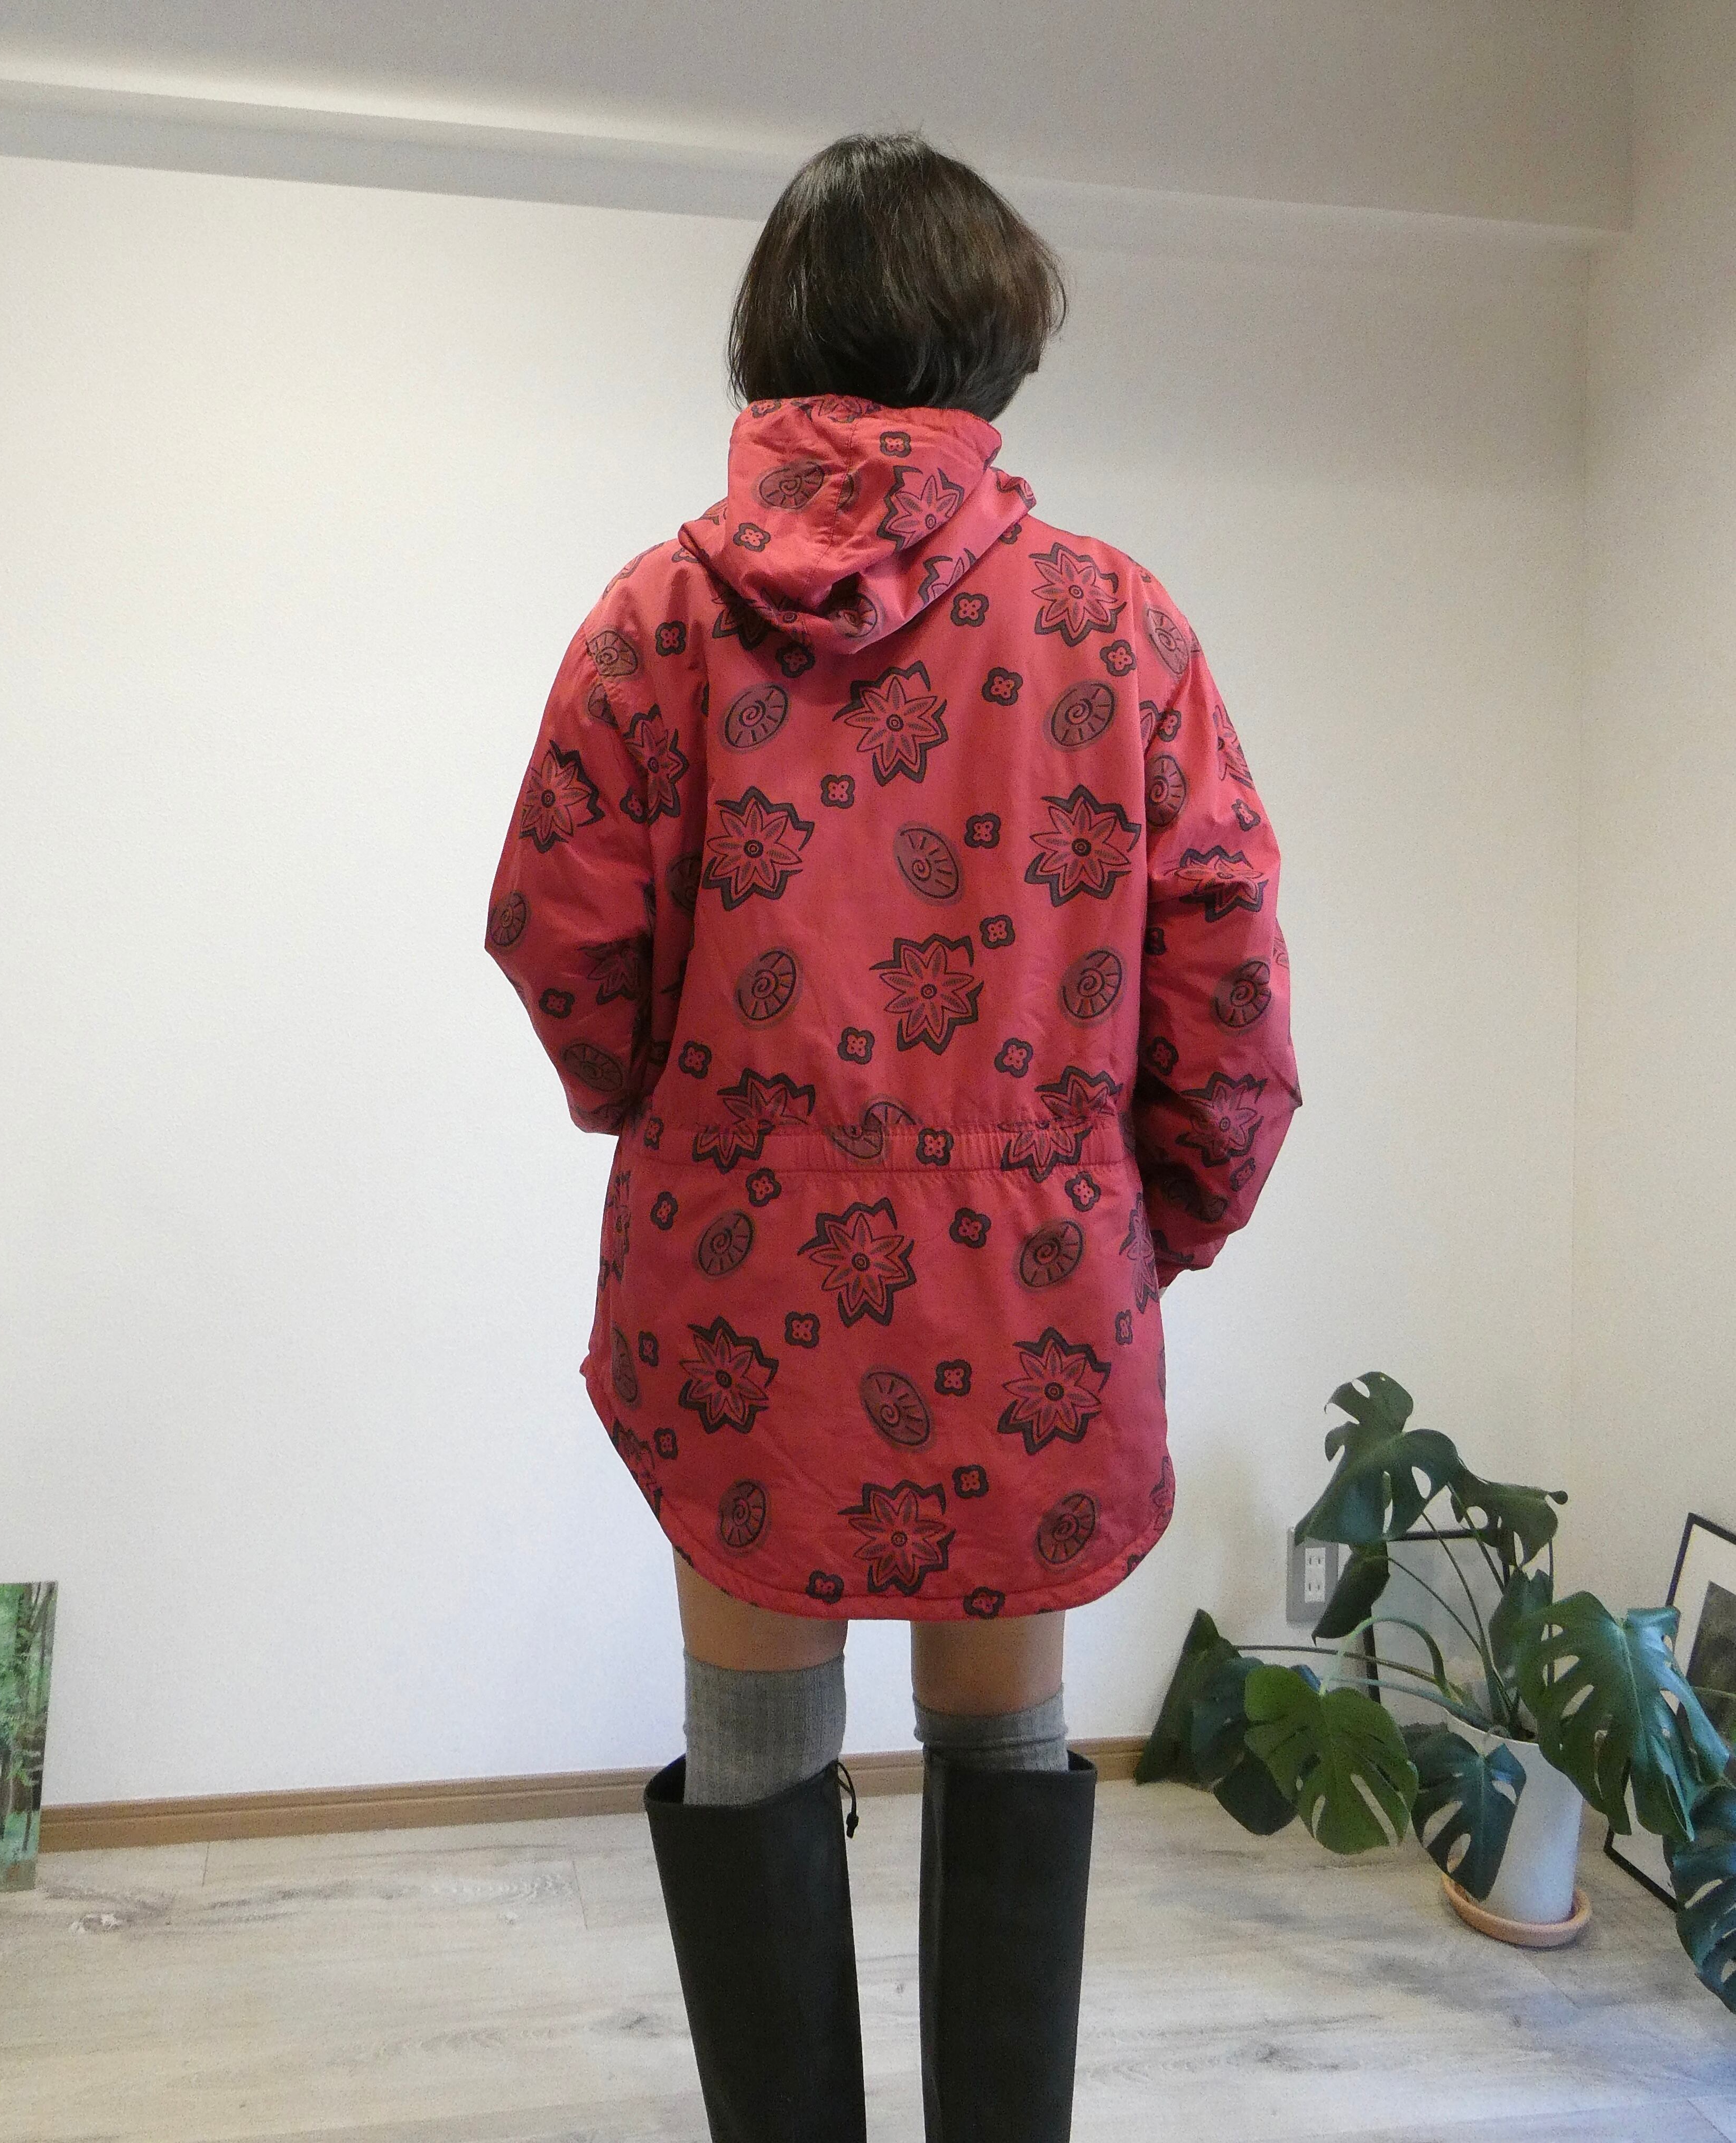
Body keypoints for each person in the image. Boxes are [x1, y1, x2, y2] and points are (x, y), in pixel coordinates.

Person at [486, 131, 1300, 2143]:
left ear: (773, 332)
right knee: (1004, 1744)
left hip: (737, 1279)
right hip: (1034, 1292)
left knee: (757, 1747)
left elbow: (559, 932)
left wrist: (666, 1113)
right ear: (993, 345)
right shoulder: (1117, 625)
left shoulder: (656, 619)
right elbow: (1228, 975)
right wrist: (1155, 1218)